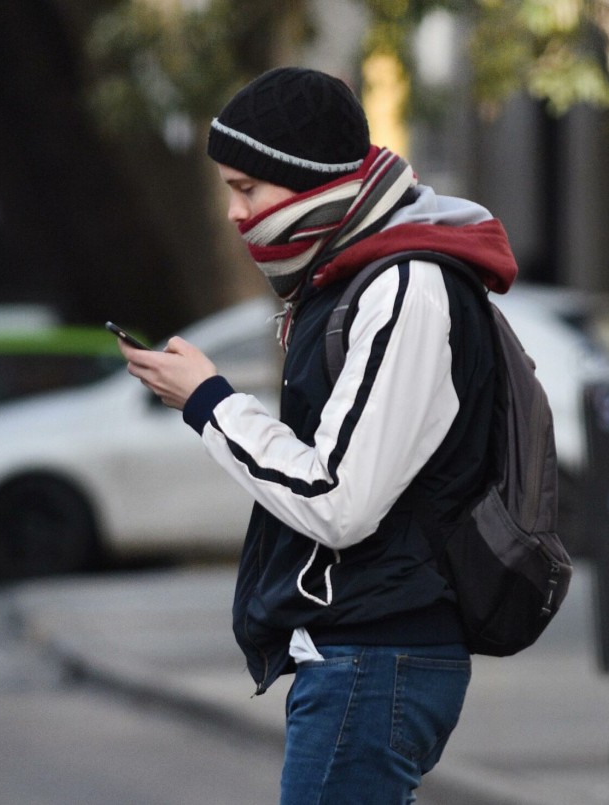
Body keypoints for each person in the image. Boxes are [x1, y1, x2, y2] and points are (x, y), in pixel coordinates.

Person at [120, 66, 522, 803]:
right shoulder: (349, 275)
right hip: (364, 652)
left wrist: (210, 401)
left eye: (246, 188)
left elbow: (341, 499)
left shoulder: (403, 285)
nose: (235, 213)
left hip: (377, 654)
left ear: (305, 183)